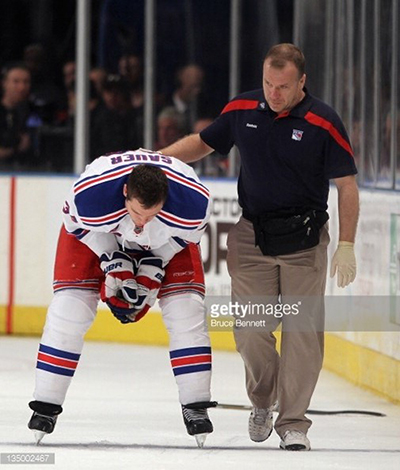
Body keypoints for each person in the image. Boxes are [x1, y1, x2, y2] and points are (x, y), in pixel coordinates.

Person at [160, 43, 359, 451]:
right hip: (251, 237)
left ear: (302, 82)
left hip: (304, 240)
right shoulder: (242, 109)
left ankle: (293, 423)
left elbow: (347, 185)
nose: (274, 93)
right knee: (251, 330)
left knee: (302, 333)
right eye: (268, 83)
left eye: (283, 86)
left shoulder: (324, 121)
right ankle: (263, 401)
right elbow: (202, 143)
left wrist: (347, 243)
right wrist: (156, 159)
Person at [28, 150, 214, 448]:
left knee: (187, 311)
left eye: (152, 214)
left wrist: (155, 266)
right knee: (69, 310)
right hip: (96, 234)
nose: (141, 224)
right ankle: (45, 405)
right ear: (125, 191)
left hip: (164, 241)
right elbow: (76, 227)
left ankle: (196, 406)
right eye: (138, 212)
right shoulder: (92, 196)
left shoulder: (193, 202)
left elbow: (187, 237)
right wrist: (112, 260)